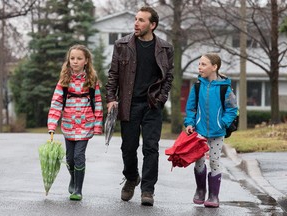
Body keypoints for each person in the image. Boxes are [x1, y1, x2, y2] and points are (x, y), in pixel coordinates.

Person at [105, 6, 174, 206]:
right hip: (129, 104)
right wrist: (111, 98)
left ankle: (148, 190)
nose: (136, 23)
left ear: (152, 25)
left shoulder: (165, 48)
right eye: (136, 19)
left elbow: (168, 77)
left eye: (141, 20)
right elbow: (113, 74)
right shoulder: (122, 44)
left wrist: (161, 99)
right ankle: (131, 177)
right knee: (128, 147)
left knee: (151, 148)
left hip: (152, 105)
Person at [47, 44, 103, 201]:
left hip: (85, 125)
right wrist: (52, 125)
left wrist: (98, 124)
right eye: (72, 58)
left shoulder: (92, 80)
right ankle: (73, 178)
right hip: (68, 125)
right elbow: (56, 104)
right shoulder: (64, 81)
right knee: (70, 158)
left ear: (86, 61)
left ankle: (78, 189)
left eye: (79, 58)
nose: (75, 61)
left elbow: (97, 102)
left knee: (79, 156)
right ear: (68, 60)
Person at [184, 53, 238, 208]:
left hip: (217, 133)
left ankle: (214, 196)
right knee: (199, 160)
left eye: (204, 64)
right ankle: (200, 190)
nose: (200, 67)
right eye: (199, 64)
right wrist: (189, 123)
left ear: (214, 67)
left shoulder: (225, 88)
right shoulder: (197, 86)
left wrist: (223, 123)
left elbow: (232, 110)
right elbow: (191, 108)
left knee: (214, 161)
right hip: (199, 131)